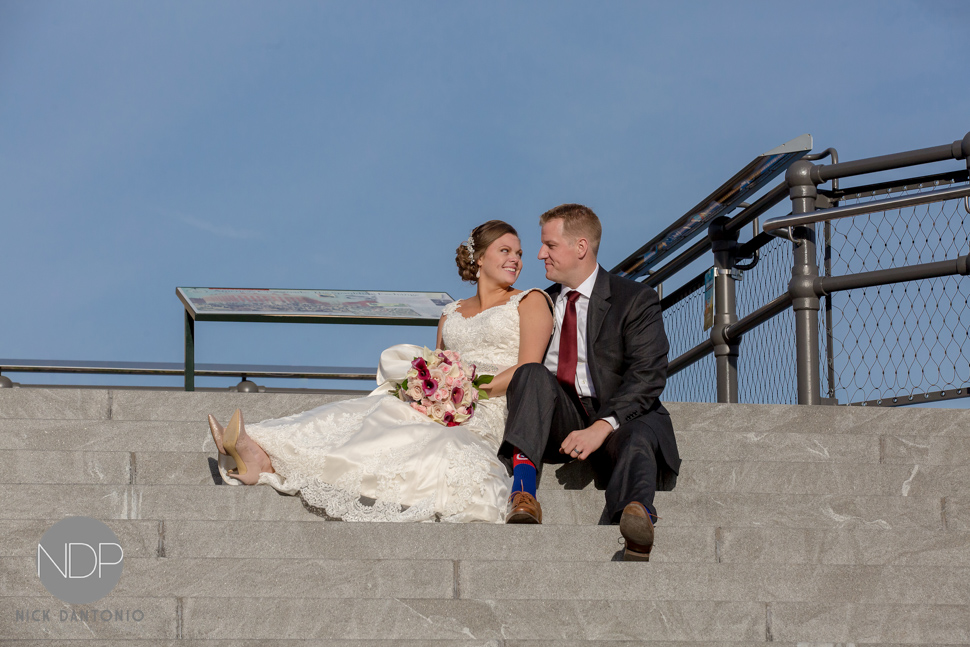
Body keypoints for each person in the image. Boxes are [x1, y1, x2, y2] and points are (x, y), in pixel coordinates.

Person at [207, 220, 554, 523]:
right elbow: (437, 362)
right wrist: (431, 387)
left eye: (519, 254)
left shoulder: (529, 300)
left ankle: (270, 462)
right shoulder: (451, 312)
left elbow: (529, 368)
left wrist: (470, 386)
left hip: (490, 405)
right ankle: (261, 453)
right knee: (369, 414)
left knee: (436, 447)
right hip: (444, 402)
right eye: (505, 250)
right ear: (479, 258)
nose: (516, 260)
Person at [498, 204, 680, 560]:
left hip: (618, 418)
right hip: (559, 417)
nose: (539, 254)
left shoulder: (634, 300)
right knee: (531, 372)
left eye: (549, 245)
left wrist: (601, 426)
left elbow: (648, 374)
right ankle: (522, 495)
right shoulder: (542, 303)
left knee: (639, 434)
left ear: (580, 247)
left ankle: (636, 522)